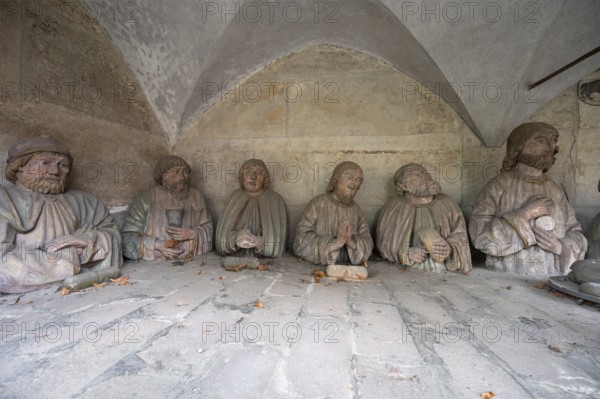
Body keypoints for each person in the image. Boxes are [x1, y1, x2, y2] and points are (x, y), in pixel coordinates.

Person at [0, 137, 122, 293]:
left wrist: (86, 241)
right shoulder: (4, 199)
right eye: (45, 163)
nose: (55, 171)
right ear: (20, 166)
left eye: (63, 165)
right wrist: (68, 259)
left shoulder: (85, 201)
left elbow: (114, 238)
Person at [470, 122, 587, 275]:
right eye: (540, 140)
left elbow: (575, 232)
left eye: (553, 140)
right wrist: (524, 214)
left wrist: (560, 247)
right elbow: (480, 237)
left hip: (550, 277)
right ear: (519, 146)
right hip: (508, 280)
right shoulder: (498, 186)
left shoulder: (555, 191)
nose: (549, 146)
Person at [376, 163, 471, 273]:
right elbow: (384, 242)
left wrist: (450, 248)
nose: (425, 177)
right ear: (404, 186)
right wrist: (405, 253)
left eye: (424, 172)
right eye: (417, 175)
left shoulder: (446, 203)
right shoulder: (395, 206)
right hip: (407, 273)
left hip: (444, 271)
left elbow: (460, 235)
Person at [121, 155, 212, 261]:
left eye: (185, 172)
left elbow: (209, 230)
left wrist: (193, 234)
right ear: (164, 175)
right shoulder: (147, 197)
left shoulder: (196, 196)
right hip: (154, 266)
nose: (182, 177)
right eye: (176, 172)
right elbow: (127, 238)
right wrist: (157, 245)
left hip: (192, 261)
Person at [294, 161, 373, 265]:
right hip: (316, 268)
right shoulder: (318, 203)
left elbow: (368, 242)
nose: (353, 185)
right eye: (348, 177)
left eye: (357, 180)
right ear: (336, 179)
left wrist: (350, 242)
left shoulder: (356, 210)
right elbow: (300, 241)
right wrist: (336, 243)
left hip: (349, 267)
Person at [216, 159, 287, 261]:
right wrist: (235, 239)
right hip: (234, 258)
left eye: (258, 173)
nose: (253, 177)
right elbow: (220, 241)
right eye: (248, 172)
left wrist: (258, 242)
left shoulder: (275, 200)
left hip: (266, 262)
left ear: (265, 178)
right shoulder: (234, 198)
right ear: (242, 176)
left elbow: (278, 244)